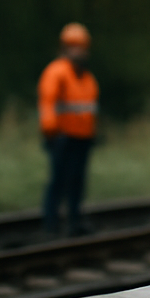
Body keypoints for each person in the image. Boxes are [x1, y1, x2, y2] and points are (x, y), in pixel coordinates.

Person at [38, 22, 100, 236]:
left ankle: (74, 221)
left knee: (77, 181)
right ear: (64, 47)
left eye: (81, 46)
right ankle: (51, 224)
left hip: (82, 138)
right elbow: (48, 103)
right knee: (58, 180)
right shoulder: (56, 72)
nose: (78, 50)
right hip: (61, 138)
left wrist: (93, 132)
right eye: (73, 46)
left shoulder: (88, 78)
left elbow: (89, 109)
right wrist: (51, 132)